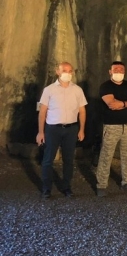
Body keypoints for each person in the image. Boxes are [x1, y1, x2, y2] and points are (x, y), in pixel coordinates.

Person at [37, 62, 87, 199]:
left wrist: (82, 129)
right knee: (48, 160)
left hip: (71, 129)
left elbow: (82, 111)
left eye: (70, 71)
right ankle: (46, 189)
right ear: (57, 71)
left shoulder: (77, 90)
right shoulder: (49, 90)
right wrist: (41, 132)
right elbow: (42, 112)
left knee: (69, 160)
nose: (68, 73)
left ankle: (66, 187)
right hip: (53, 129)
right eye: (64, 70)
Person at [96, 61, 127, 197]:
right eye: (115, 69)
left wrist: (121, 104)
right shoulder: (106, 86)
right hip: (111, 126)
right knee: (106, 155)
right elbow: (111, 104)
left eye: (121, 69)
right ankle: (101, 185)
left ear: (125, 71)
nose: (118, 71)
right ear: (110, 71)